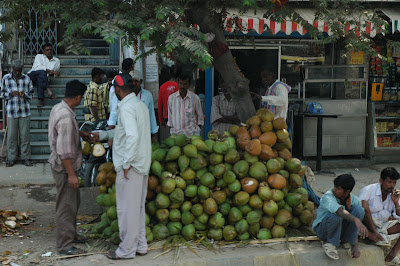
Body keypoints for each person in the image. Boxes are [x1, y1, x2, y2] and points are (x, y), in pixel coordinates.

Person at [92, 73, 151, 260]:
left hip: (131, 166)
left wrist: (126, 163)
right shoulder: (139, 105)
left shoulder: (126, 109)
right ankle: (141, 245)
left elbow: (131, 136)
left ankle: (126, 250)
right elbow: (125, 131)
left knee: (126, 210)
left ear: (118, 89)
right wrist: (102, 136)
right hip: (141, 164)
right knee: (137, 209)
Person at [48, 80, 92, 255]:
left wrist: (80, 133)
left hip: (62, 165)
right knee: (66, 206)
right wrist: (72, 174)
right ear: (78, 97)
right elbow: (65, 151)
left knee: (72, 203)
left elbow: (63, 134)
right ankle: (65, 245)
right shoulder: (66, 117)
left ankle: (71, 234)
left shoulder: (60, 108)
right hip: (64, 168)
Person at [312, 174, 368, 260]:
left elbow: (355, 227)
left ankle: (349, 241)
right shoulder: (327, 196)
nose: (335, 190)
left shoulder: (354, 200)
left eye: (338, 189)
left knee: (359, 210)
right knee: (335, 215)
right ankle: (330, 243)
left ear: (347, 192)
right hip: (324, 231)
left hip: (340, 230)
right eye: (335, 187)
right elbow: (339, 211)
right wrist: (356, 219)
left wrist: (355, 246)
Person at [359, 167, 400, 265]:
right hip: (368, 225)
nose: (392, 185)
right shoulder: (368, 190)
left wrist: (396, 203)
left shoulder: (394, 194)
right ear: (381, 180)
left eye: (394, 182)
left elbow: (398, 216)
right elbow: (360, 210)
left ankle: (391, 257)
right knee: (364, 206)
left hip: (383, 226)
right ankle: (373, 235)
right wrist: (373, 231)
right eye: (389, 182)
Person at [1, 60, 34, 167]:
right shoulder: (6, 78)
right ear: (12, 69)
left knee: (25, 136)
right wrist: (10, 94)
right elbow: (2, 94)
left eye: (19, 71)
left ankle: (26, 157)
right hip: (11, 111)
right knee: (11, 136)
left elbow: (31, 94)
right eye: (16, 71)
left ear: (22, 70)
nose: (18, 73)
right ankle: (11, 158)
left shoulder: (27, 78)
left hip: (24, 111)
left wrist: (24, 95)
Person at [28, 43, 60, 107]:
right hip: (32, 76)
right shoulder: (39, 56)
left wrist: (55, 73)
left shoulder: (56, 60)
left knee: (41, 79)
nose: (49, 51)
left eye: (50, 50)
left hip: (43, 79)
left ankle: (41, 100)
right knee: (42, 72)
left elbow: (55, 72)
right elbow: (38, 68)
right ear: (43, 51)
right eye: (47, 50)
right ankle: (49, 91)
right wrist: (51, 71)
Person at [131, 71, 158, 142]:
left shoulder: (147, 95)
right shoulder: (125, 95)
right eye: (131, 81)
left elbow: (151, 114)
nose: (133, 83)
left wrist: (154, 133)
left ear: (141, 82)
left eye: (136, 81)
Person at [108, 58, 134, 129]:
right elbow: (114, 104)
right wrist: (112, 122)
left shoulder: (128, 78)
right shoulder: (118, 80)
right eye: (133, 66)